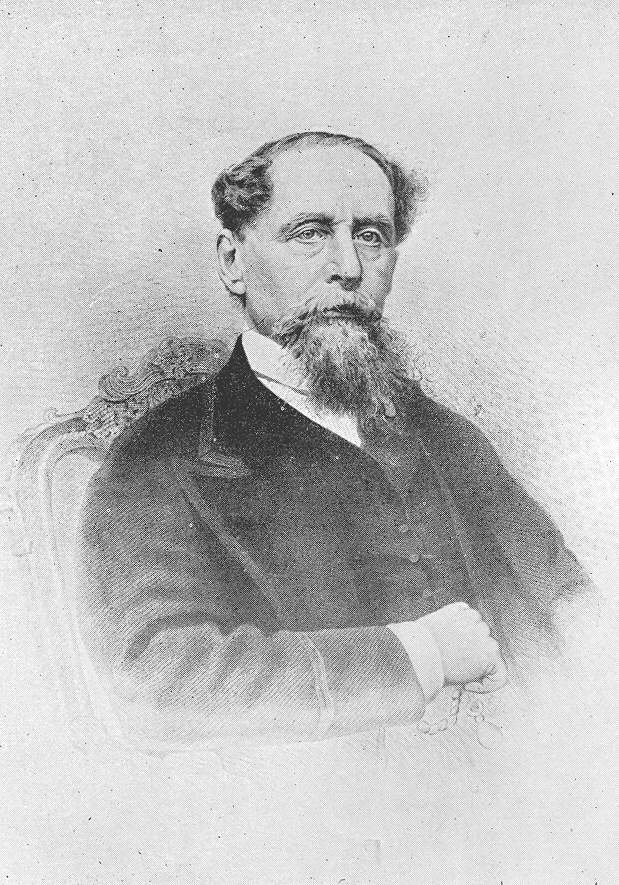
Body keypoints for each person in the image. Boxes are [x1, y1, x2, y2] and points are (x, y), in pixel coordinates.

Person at [77, 132, 590, 749]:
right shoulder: (162, 459)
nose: (348, 268)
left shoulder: (445, 436)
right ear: (234, 262)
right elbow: (156, 685)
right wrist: (420, 655)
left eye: (371, 236)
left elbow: (571, 607)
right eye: (310, 233)